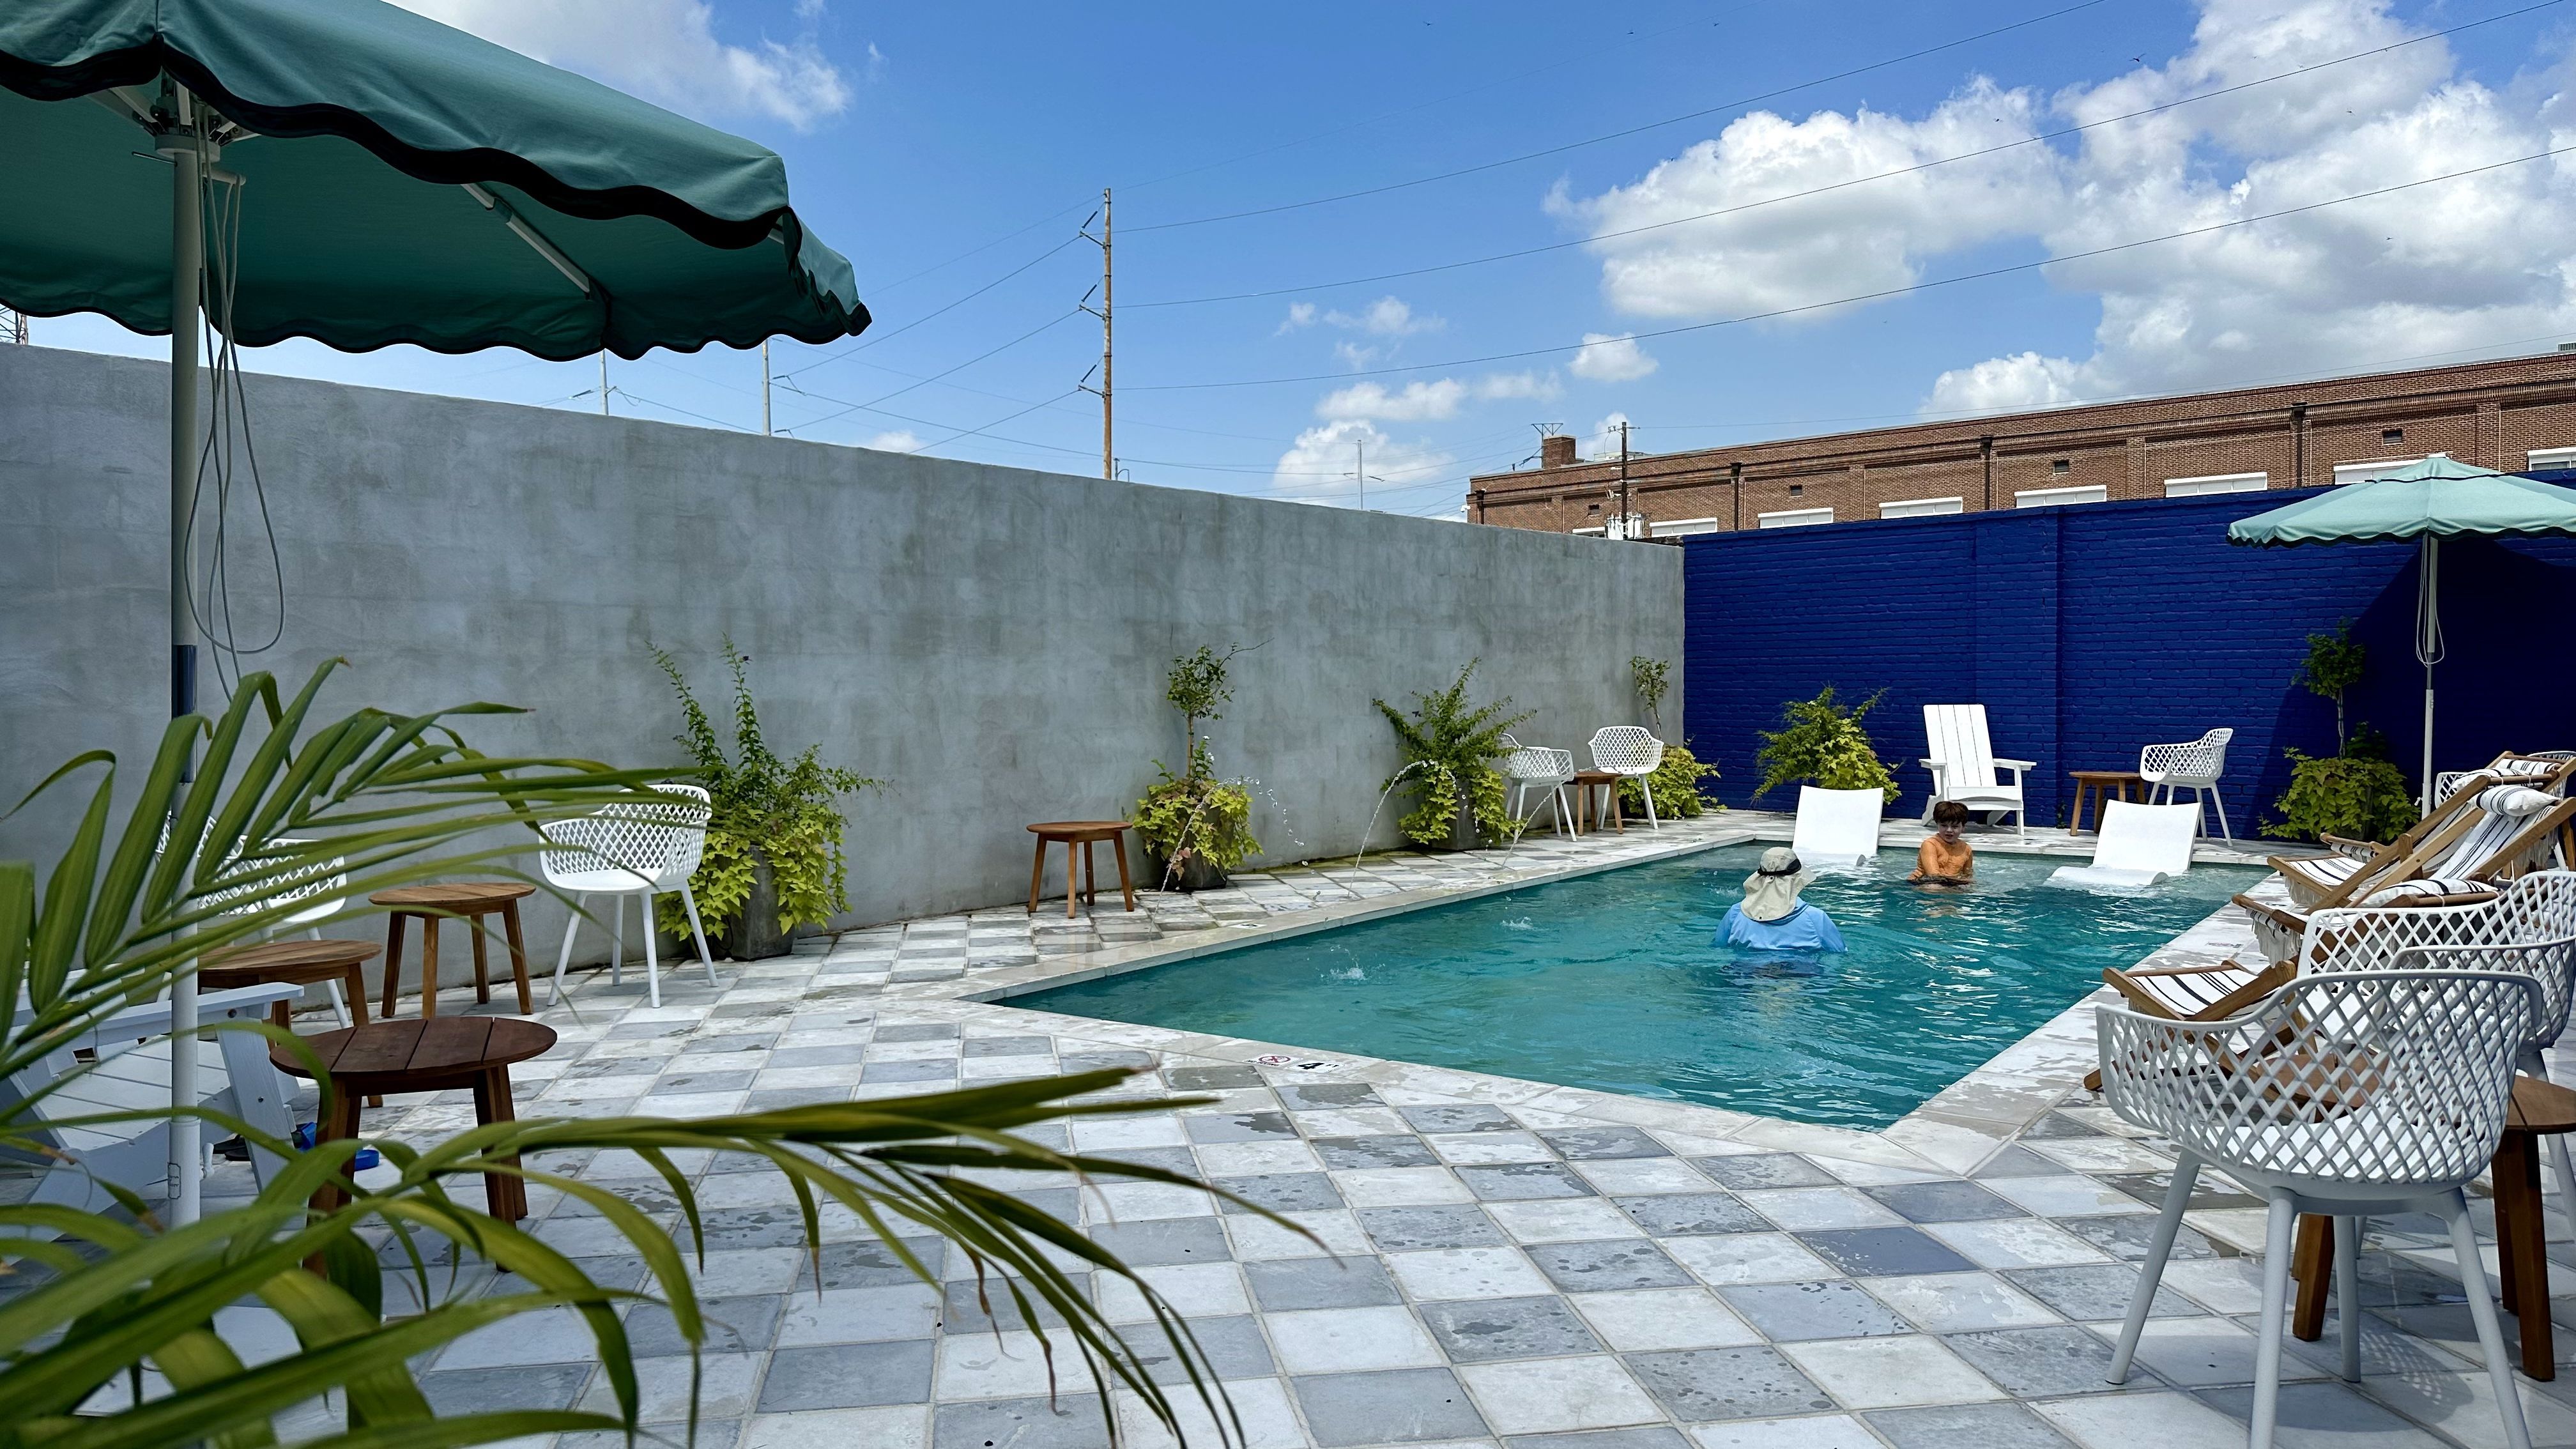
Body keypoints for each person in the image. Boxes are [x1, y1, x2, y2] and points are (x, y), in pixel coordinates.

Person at [1717, 847, 1846, 951]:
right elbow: (1839, 952)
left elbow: (1719, 946)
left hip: (1744, 978)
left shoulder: (1735, 914)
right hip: (1799, 980)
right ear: (1797, 879)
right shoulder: (1816, 918)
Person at [1911, 800, 1975, 885]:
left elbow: (1967, 876)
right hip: (1921, 883)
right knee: (1933, 887)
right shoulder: (1930, 844)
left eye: (1955, 827)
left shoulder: (1966, 849)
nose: (1949, 830)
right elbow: (1933, 875)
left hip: (1949, 884)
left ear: (1963, 827)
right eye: (1944, 826)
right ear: (1937, 825)